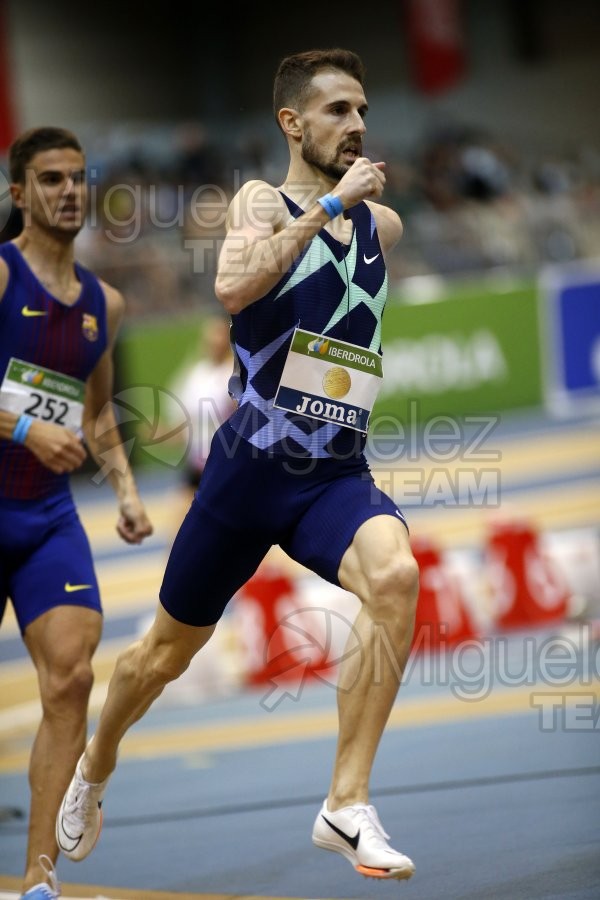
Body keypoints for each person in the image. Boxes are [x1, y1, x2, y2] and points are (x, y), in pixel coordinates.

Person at [57, 49, 419, 882]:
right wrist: (328, 203)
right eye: (336, 110)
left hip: (335, 474)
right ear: (292, 123)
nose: (357, 123)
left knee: (396, 578)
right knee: (162, 655)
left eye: (361, 109)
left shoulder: (381, 225)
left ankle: (347, 803)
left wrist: (353, 212)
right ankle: (95, 765)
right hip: (249, 474)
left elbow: (362, 247)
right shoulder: (265, 200)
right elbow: (232, 286)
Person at [0, 126, 153, 899]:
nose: (69, 191)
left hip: (46, 518)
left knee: (72, 677)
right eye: (51, 179)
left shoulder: (105, 304)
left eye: (78, 178)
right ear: (20, 193)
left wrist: (124, 490)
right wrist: (26, 427)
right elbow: (49, 421)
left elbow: (96, 421)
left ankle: (37, 880)